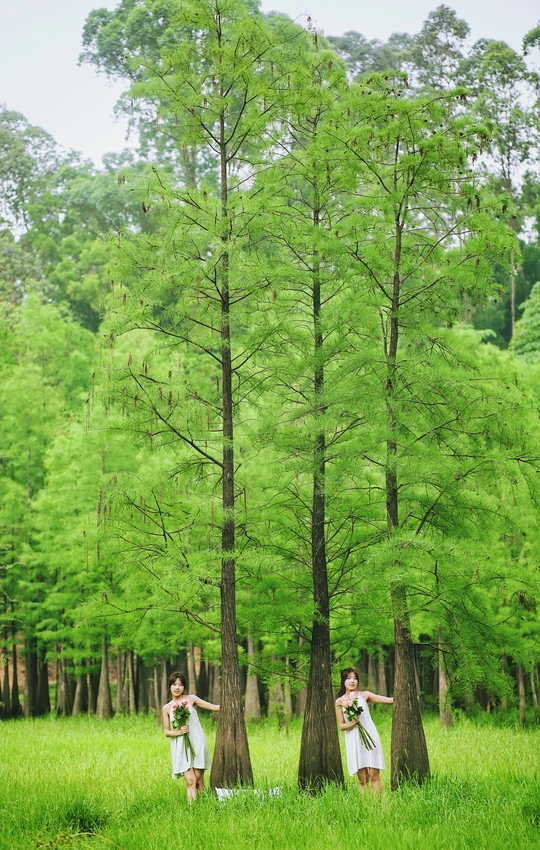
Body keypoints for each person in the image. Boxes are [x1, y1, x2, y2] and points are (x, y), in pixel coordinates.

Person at [163, 671, 220, 803]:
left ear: (184, 687)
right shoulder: (167, 708)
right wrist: (179, 732)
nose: (177, 687)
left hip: (197, 742)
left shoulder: (191, 699)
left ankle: (203, 807)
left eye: (180, 685)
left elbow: (213, 707)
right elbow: (167, 732)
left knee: (199, 780)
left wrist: (235, 707)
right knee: (190, 781)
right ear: (170, 686)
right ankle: (192, 811)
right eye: (174, 684)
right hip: (181, 746)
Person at [335, 667, 393, 795]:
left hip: (370, 737)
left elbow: (389, 700)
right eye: (349, 678)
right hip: (354, 740)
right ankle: (366, 806)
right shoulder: (339, 702)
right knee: (363, 779)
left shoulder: (365, 695)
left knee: (374, 775)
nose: (352, 681)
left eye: (355, 678)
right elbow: (341, 726)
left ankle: (377, 806)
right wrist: (352, 723)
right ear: (343, 681)